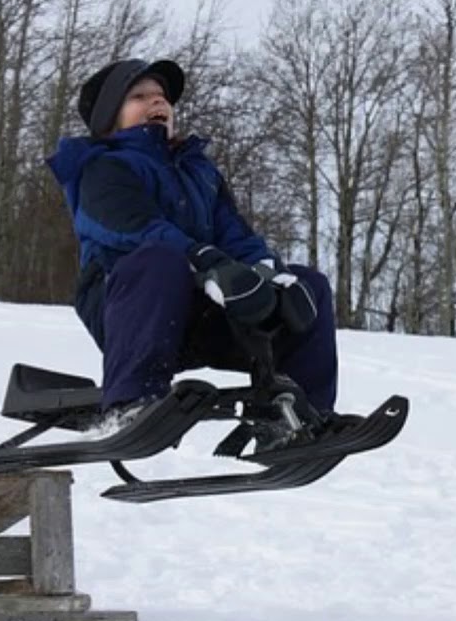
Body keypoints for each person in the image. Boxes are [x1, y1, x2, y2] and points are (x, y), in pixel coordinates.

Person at [45, 58, 339, 427]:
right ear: (110, 117)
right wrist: (206, 261)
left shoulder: (199, 173)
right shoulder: (101, 167)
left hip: (203, 310)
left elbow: (238, 236)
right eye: (139, 96)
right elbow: (134, 227)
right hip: (131, 309)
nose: (158, 103)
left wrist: (269, 273)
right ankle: (131, 403)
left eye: (162, 96)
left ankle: (296, 416)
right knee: (160, 259)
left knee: (308, 285)